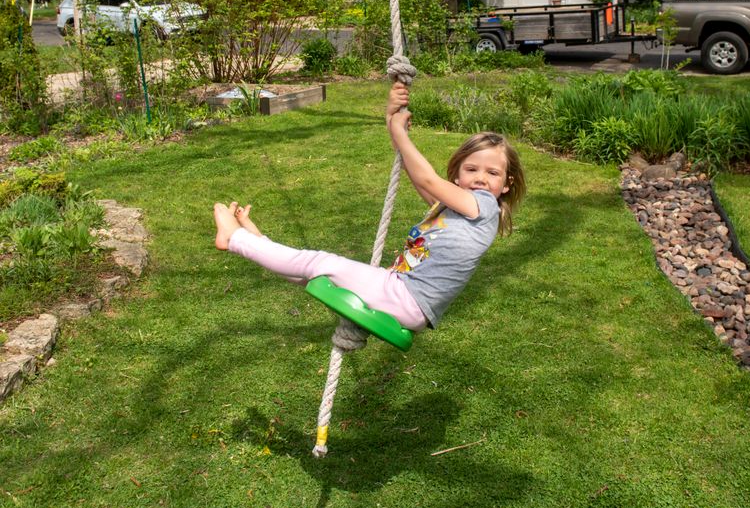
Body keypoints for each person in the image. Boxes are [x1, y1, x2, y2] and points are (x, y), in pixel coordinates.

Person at [213, 81, 526, 333]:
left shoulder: (484, 206)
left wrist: (401, 131)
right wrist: (392, 120)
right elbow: (413, 172)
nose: (481, 178)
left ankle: (236, 240)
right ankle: (257, 241)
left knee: (320, 262)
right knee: (314, 277)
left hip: (405, 297)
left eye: (493, 173)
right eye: (472, 170)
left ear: (507, 184)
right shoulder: (454, 210)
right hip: (403, 297)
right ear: (457, 174)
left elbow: (429, 180)